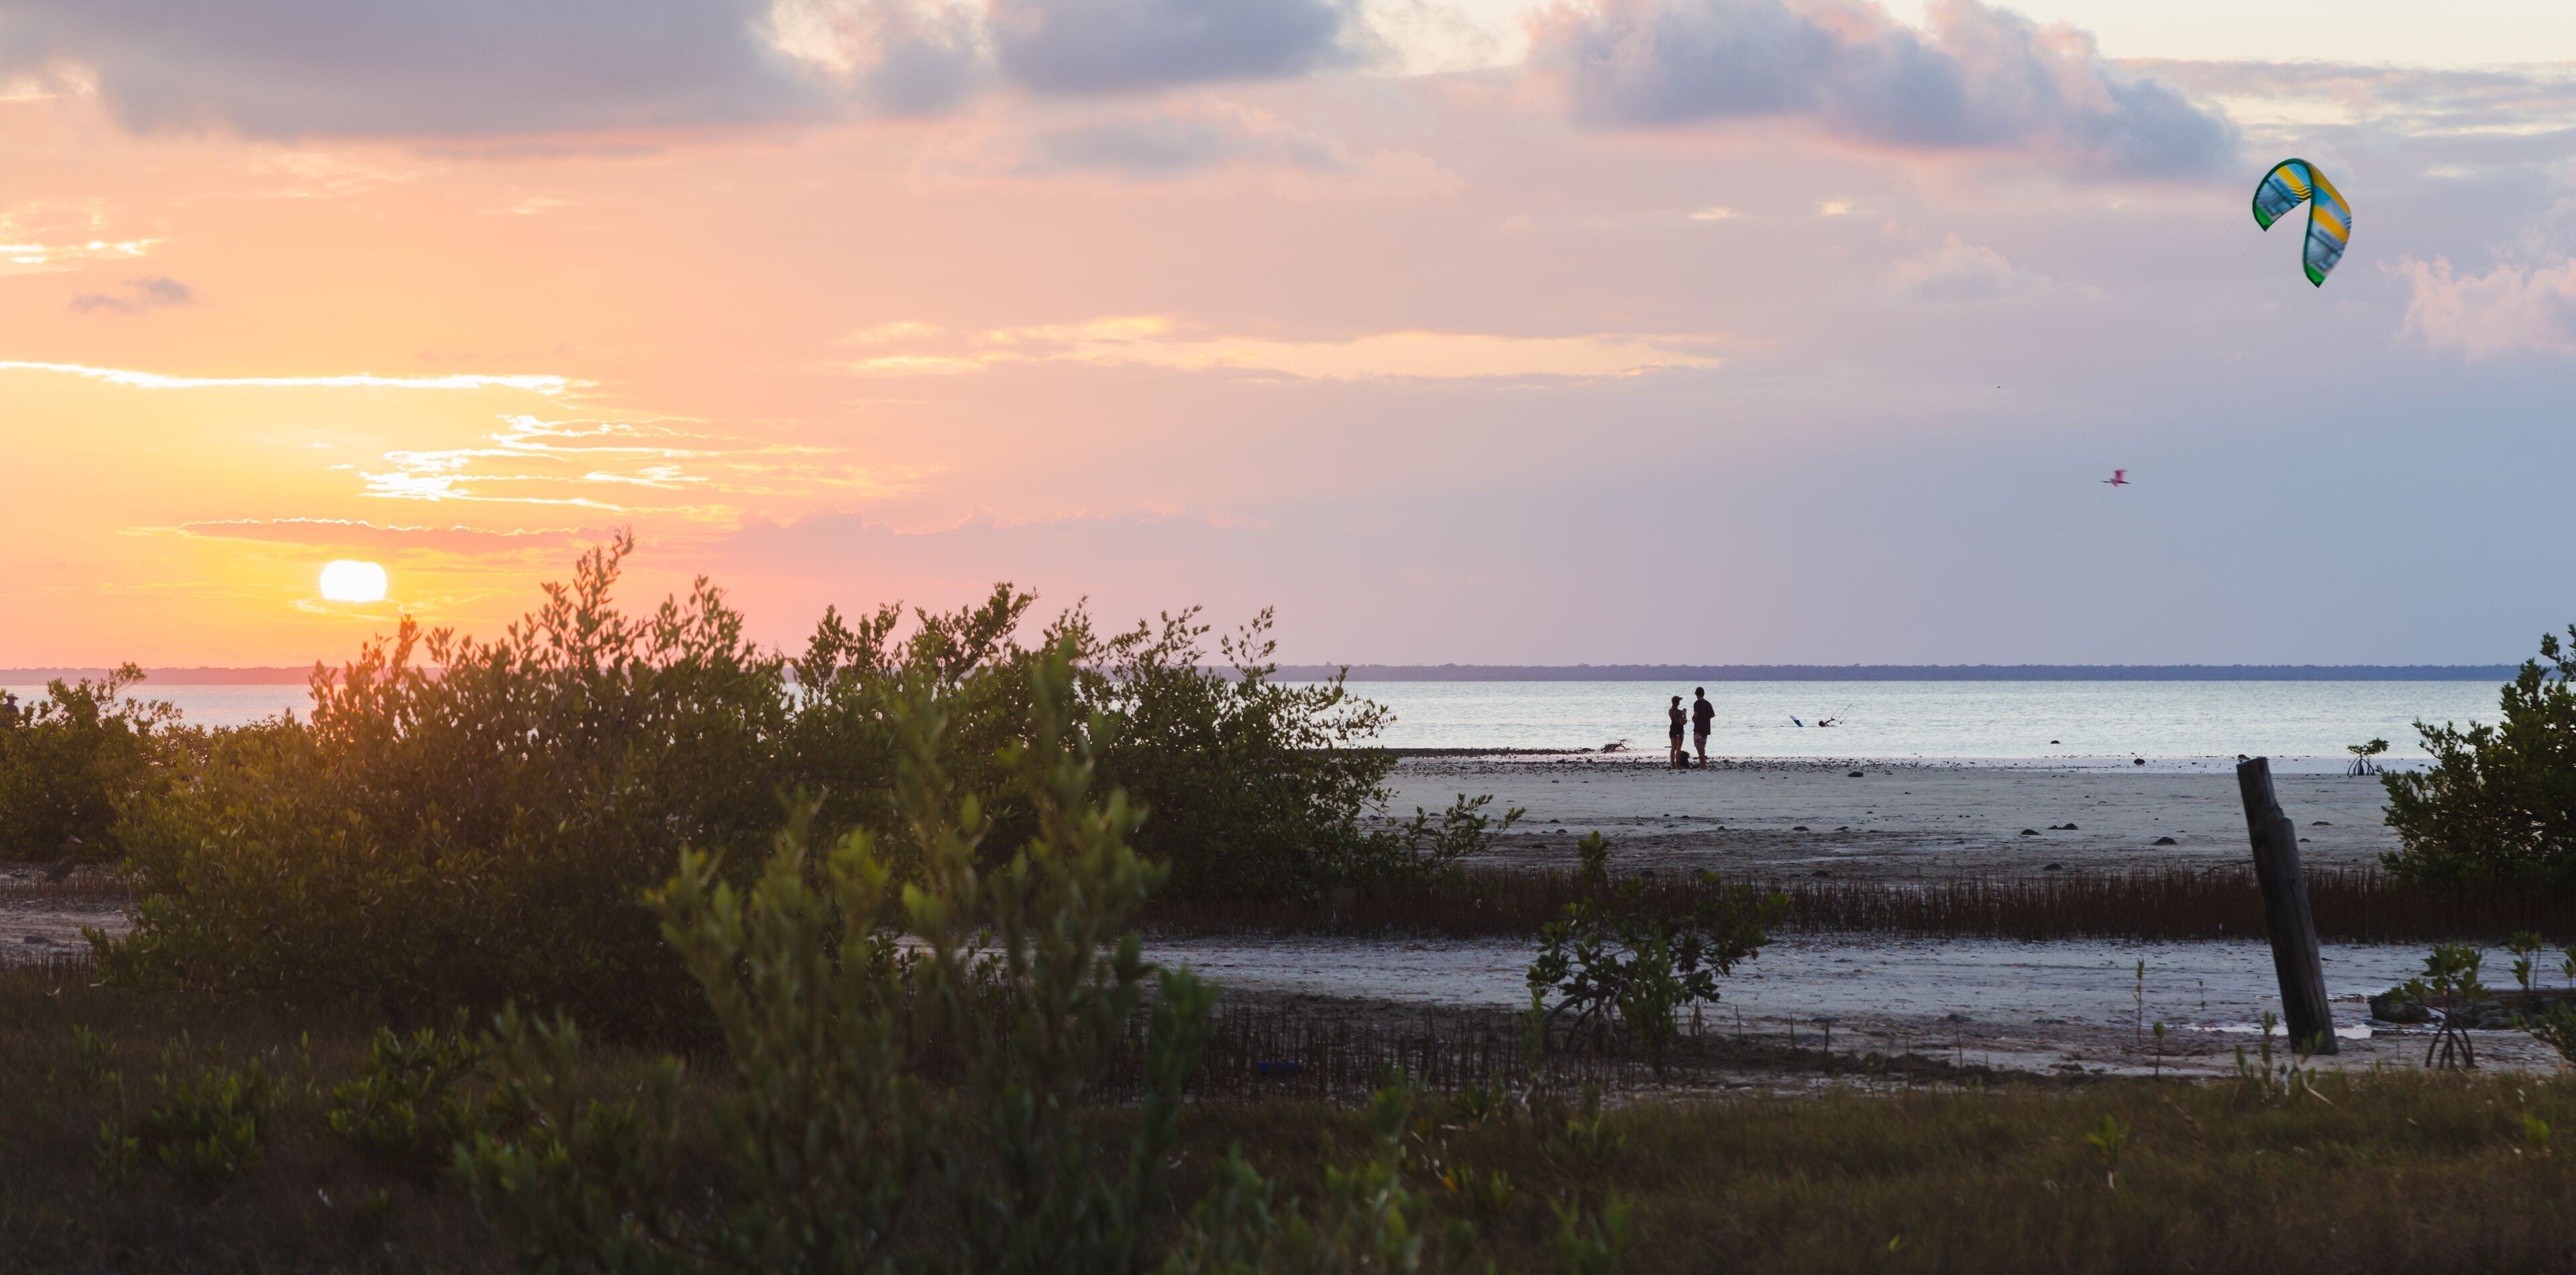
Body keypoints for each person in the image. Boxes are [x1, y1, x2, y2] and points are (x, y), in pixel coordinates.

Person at [1690, 687, 1715, 765]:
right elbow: (1713, 714)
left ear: (1696, 694)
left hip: (1699, 726)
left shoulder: (1697, 703)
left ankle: (1703, 763)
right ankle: (1702, 763)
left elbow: (1696, 714)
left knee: (1698, 745)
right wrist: (1706, 718)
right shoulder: (1708, 703)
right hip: (1706, 726)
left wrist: (1693, 718)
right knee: (1702, 745)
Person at [1667, 695, 1688, 768]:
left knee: (1673, 748)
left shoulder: (1670, 710)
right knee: (1678, 748)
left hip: (1672, 729)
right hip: (1679, 730)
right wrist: (1684, 715)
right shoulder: (1679, 712)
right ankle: (1678, 765)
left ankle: (1673, 764)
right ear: (1678, 703)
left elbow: (1674, 720)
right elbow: (1682, 723)